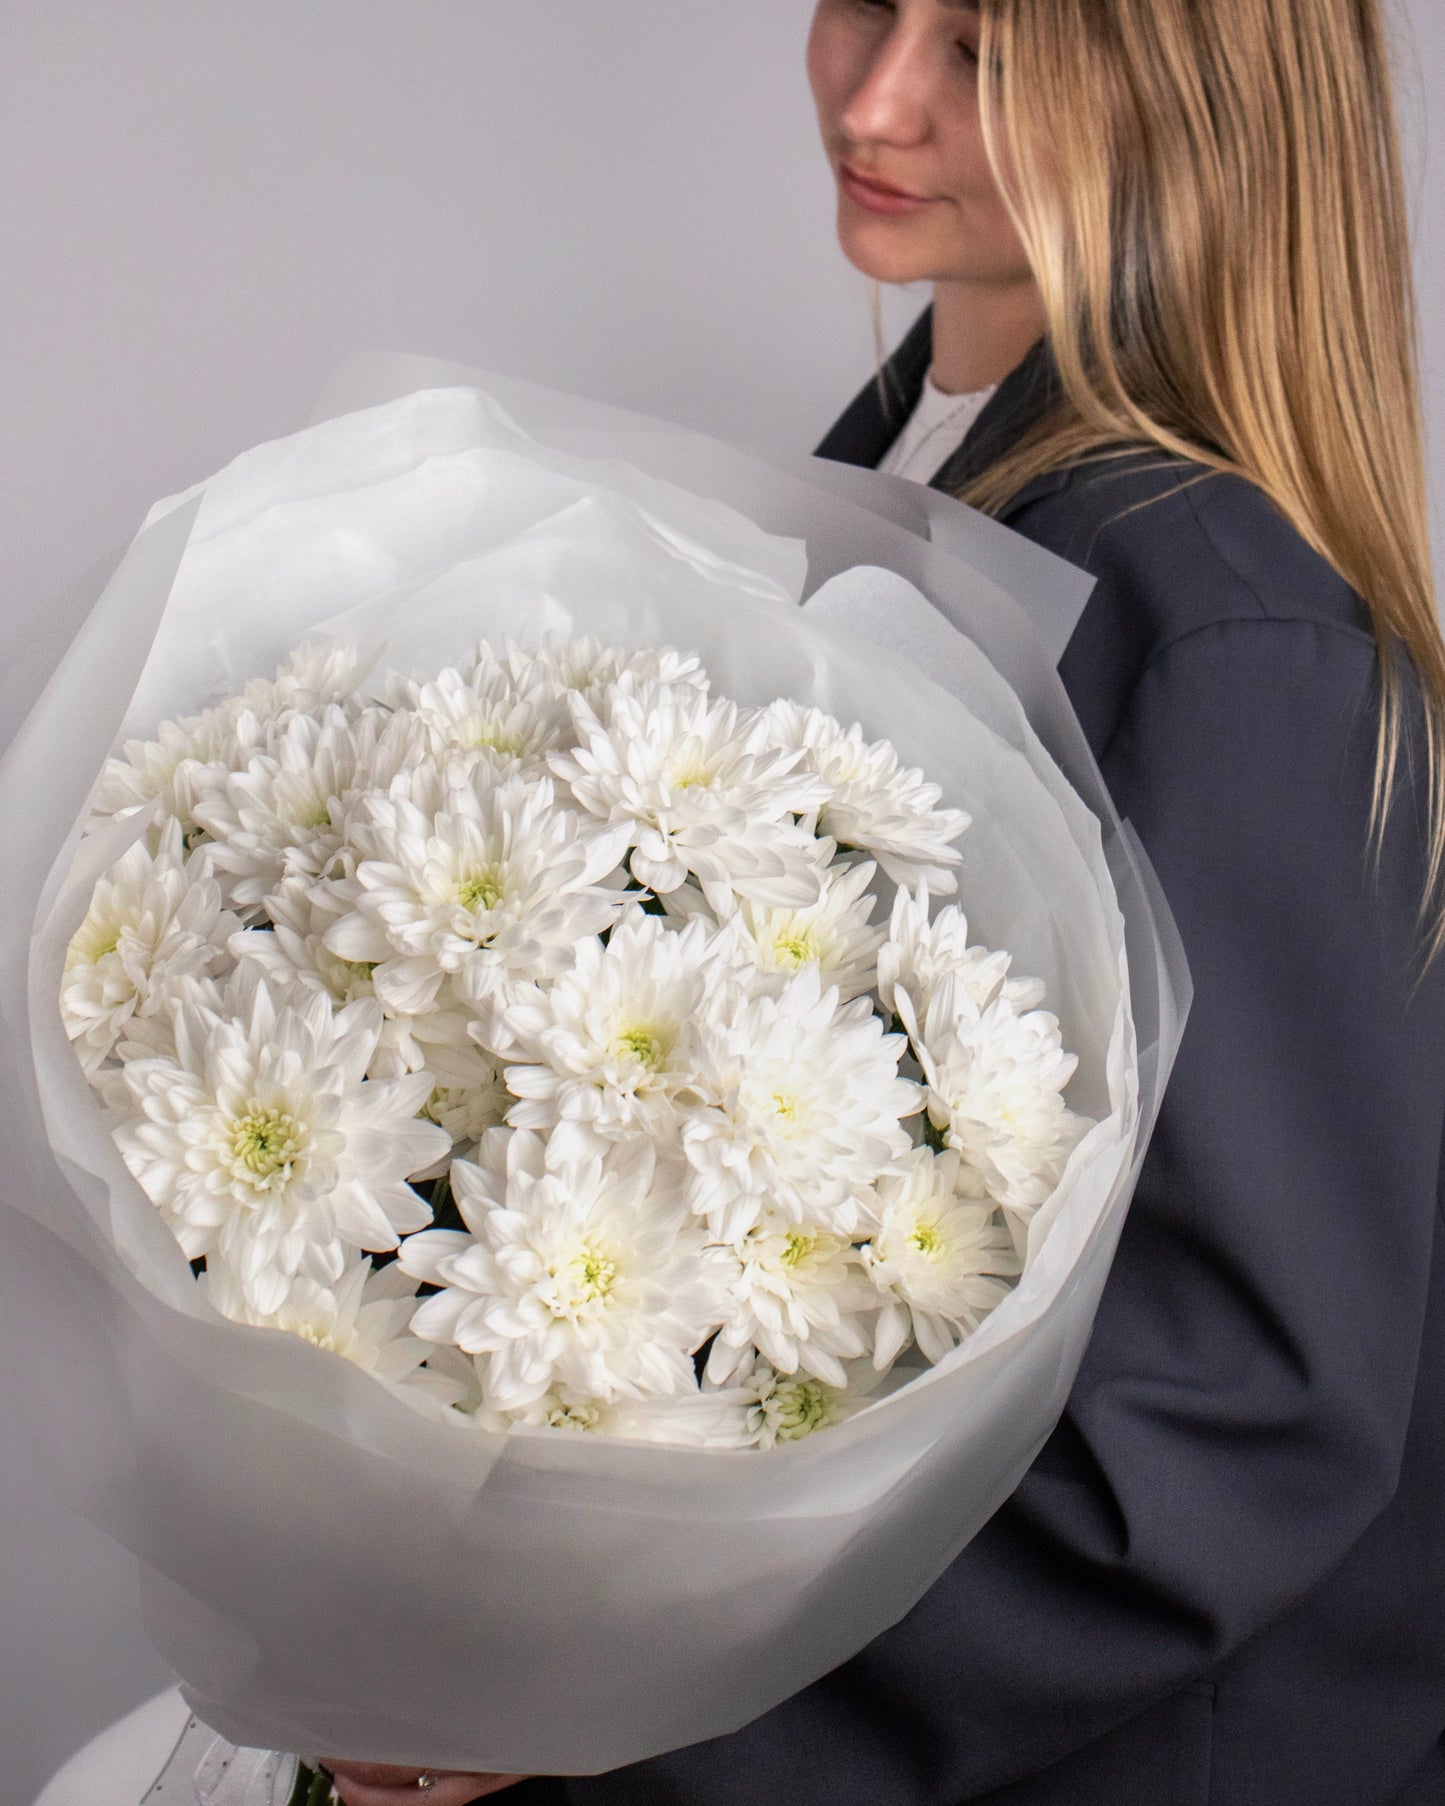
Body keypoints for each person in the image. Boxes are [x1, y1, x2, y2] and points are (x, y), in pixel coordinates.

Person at [326, 0, 1445, 1800]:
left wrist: (617, 1722)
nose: (873, 94)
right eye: (865, 0)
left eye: (985, 53)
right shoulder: (898, 468)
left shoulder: (1226, 634)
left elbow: (1246, 1421)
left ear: (1189, 93)